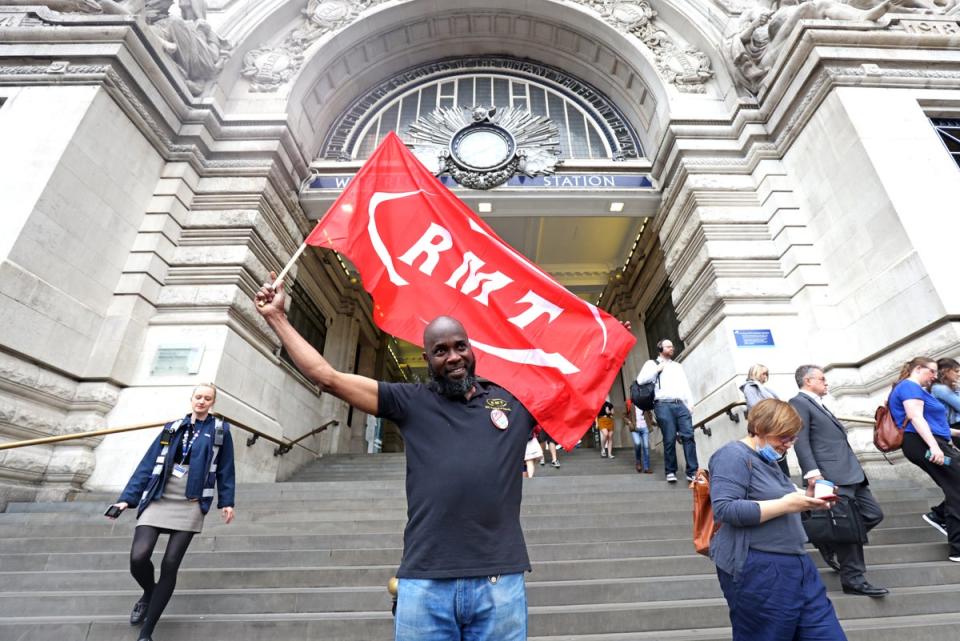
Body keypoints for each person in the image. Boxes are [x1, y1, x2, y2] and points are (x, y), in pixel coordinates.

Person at [255, 272, 536, 641]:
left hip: (500, 584)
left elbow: (577, 387)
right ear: (426, 359)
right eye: (441, 351)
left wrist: (610, 347)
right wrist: (276, 318)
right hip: (425, 585)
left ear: (472, 349)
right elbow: (327, 377)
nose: (453, 357)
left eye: (460, 346)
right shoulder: (411, 401)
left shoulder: (511, 402)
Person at [107, 383, 236, 641]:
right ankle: (149, 592)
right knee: (138, 557)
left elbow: (225, 468)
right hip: (159, 495)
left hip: (191, 501)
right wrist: (126, 499)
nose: (201, 401)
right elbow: (147, 463)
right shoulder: (173, 427)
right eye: (198, 397)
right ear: (191, 399)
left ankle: (146, 633)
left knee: (170, 564)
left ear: (212, 403)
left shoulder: (220, 430)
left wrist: (226, 501)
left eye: (207, 398)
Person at [709, 399, 846, 641]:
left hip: (797, 565)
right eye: (783, 437)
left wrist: (809, 500)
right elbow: (725, 509)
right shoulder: (732, 455)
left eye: (793, 438)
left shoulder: (768, 460)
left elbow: (779, 504)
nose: (789, 444)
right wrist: (788, 504)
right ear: (759, 428)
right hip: (759, 568)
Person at [789, 365, 887, 597]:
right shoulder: (799, 402)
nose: (826, 383)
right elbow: (800, 440)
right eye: (822, 379)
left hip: (851, 474)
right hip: (831, 475)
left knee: (873, 514)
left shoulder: (820, 405)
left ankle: (828, 541)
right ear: (808, 381)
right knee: (846, 525)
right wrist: (812, 473)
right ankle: (853, 579)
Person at [889, 357, 960, 559]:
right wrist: (934, 447)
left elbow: (931, 422)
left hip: (931, 443)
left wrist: (954, 434)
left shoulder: (914, 389)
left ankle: (938, 515)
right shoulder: (910, 387)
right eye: (932, 372)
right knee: (957, 487)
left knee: (956, 485)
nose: (934, 377)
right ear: (918, 369)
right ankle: (957, 547)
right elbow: (916, 418)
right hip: (923, 445)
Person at [636, 338, 699, 483]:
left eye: (672, 346)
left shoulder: (678, 366)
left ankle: (692, 471)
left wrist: (690, 403)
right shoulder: (652, 364)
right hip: (663, 405)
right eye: (668, 346)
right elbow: (640, 380)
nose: (672, 348)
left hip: (681, 404)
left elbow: (685, 385)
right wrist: (655, 371)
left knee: (688, 436)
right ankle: (670, 471)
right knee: (669, 438)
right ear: (660, 349)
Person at [740, 364, 788, 476]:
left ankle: (784, 480)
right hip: (764, 425)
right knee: (770, 455)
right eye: (763, 373)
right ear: (755, 373)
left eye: (767, 373)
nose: (765, 376)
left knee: (779, 454)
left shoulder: (764, 388)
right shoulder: (750, 387)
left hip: (774, 424)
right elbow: (756, 406)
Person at [626, 399, 652, 474]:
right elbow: (624, 415)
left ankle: (647, 467)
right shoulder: (629, 403)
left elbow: (649, 413)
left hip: (645, 427)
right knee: (637, 443)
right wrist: (629, 422)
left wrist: (650, 422)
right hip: (635, 428)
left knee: (646, 446)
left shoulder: (645, 402)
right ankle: (638, 461)